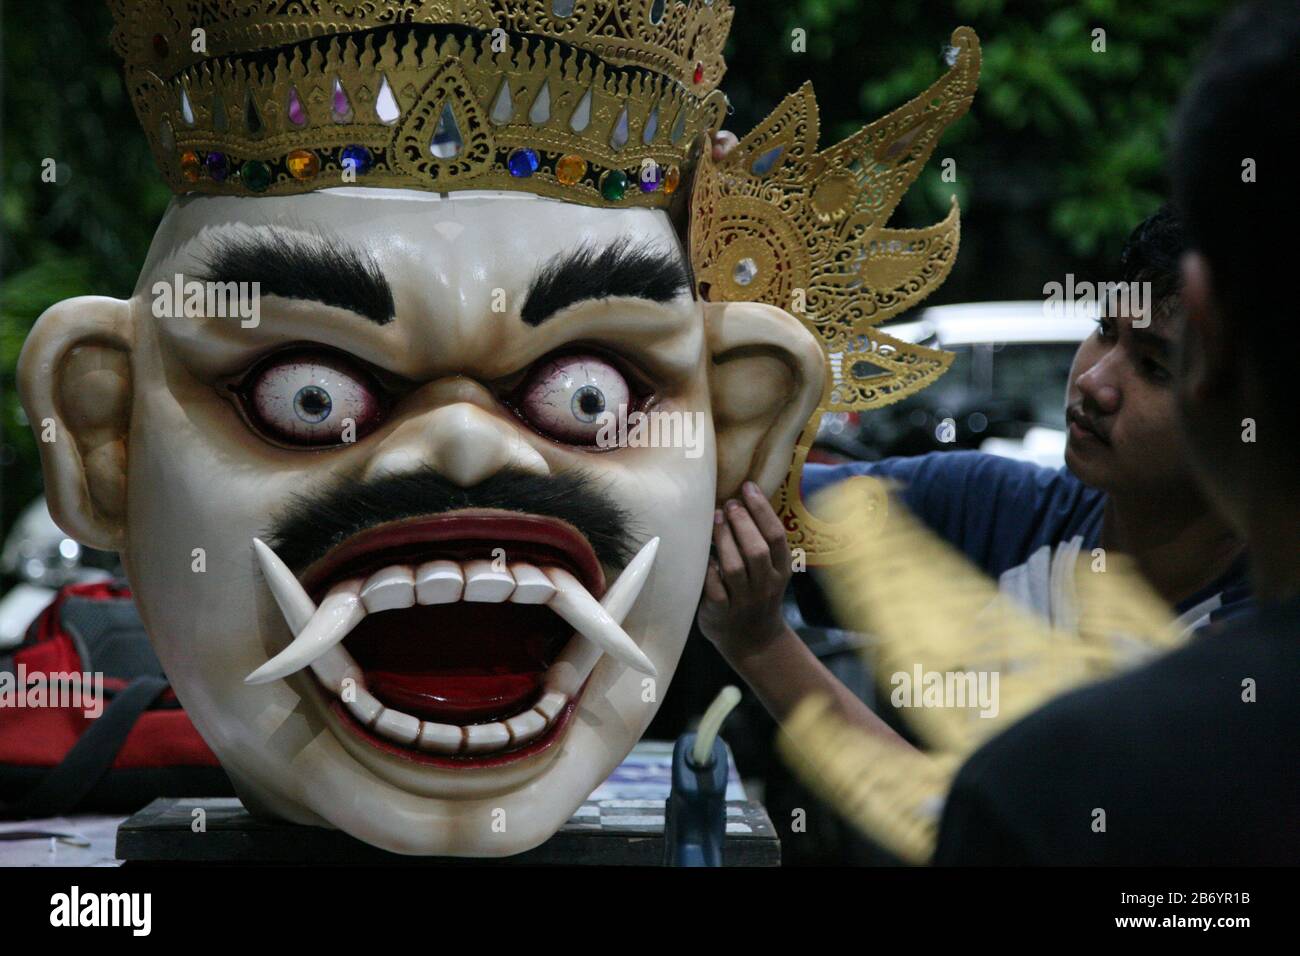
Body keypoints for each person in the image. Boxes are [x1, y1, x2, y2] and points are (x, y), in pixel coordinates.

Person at [698, 207, 1249, 735]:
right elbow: (731, 502)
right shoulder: (997, 510)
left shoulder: (1253, 654)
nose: (1094, 381)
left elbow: (969, 823)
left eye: (1154, 367)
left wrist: (763, 646)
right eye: (1105, 330)